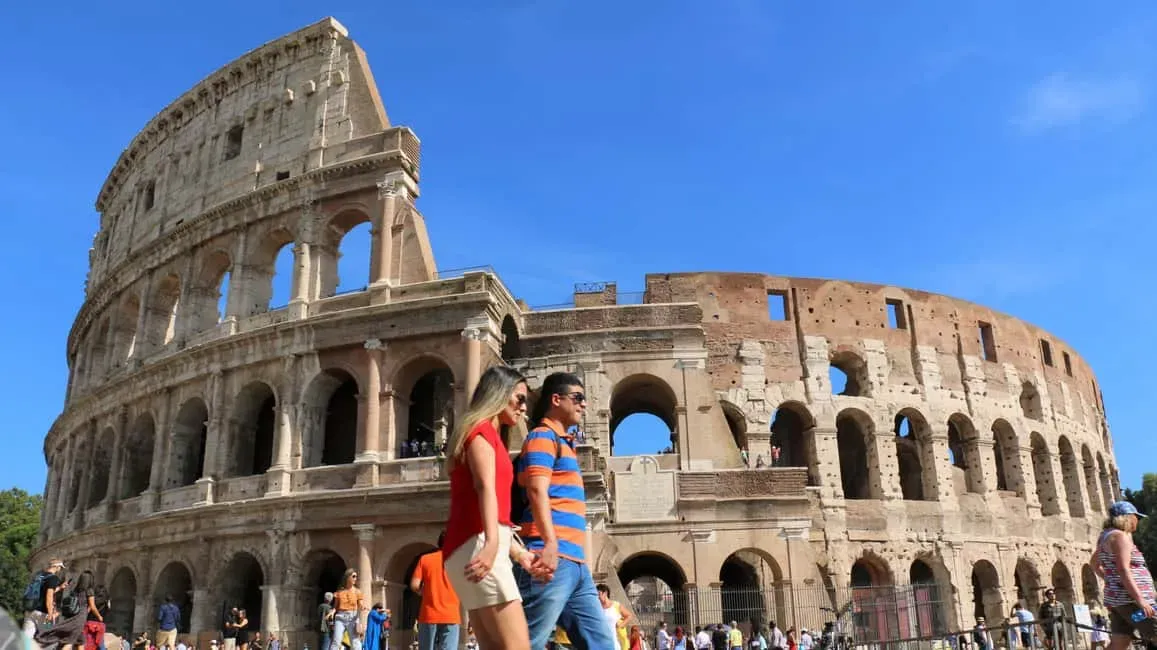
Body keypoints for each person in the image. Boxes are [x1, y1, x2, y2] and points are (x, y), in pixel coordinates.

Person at [442, 365, 546, 650]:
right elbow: (484, 488)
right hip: (477, 543)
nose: (524, 407)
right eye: (519, 398)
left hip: (470, 544)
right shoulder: (481, 432)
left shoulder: (485, 435)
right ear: (499, 394)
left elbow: (495, 507)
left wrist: (518, 553)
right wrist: (490, 545)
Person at [514, 372, 618, 650]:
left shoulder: (565, 444)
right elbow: (536, 490)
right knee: (527, 642)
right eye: (578, 398)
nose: (583, 404)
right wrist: (549, 543)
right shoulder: (542, 437)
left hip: (576, 564)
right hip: (548, 556)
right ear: (556, 399)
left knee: (601, 644)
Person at [1092, 500, 1156, 649]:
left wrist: (1111, 580)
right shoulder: (1120, 537)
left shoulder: (1105, 537)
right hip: (1132, 602)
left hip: (1120, 603)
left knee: (1119, 644)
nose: (1137, 521)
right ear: (1127, 517)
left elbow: (1094, 564)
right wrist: (1140, 600)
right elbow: (1123, 569)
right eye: (1136, 517)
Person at [409, 533, 461, 650]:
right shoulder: (459, 561)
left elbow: (414, 585)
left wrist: (424, 592)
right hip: (451, 614)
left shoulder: (425, 559)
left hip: (429, 614)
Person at [22, 558, 66, 639]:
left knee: (27, 637)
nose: (60, 569)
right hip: (43, 613)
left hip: (30, 609)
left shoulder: (39, 576)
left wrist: (60, 588)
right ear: (56, 567)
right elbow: (49, 596)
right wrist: (50, 613)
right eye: (60, 567)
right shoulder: (53, 578)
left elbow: (43, 591)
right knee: (46, 638)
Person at [328, 569, 366, 650]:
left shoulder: (357, 592)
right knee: (336, 641)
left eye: (356, 576)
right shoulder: (339, 592)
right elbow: (335, 607)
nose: (355, 578)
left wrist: (362, 607)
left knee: (355, 642)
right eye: (353, 576)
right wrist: (332, 612)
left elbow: (360, 604)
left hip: (352, 617)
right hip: (340, 618)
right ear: (347, 577)